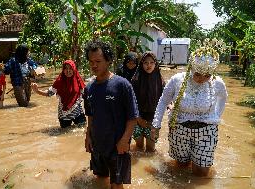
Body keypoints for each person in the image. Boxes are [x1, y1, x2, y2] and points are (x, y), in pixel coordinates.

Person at [152, 44, 228, 177]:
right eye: (198, 74)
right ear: (191, 68)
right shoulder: (177, 80)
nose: (202, 79)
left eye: (207, 75)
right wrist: (156, 125)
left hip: (207, 131)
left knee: (202, 172)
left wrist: (215, 116)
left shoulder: (218, 83)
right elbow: (163, 100)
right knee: (181, 167)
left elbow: (223, 99)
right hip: (179, 129)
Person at [83, 39, 139, 189]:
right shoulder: (89, 88)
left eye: (98, 61)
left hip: (117, 146)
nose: (94, 65)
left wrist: (125, 140)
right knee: (100, 179)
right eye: (91, 61)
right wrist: (88, 136)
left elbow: (133, 117)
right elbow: (91, 115)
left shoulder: (122, 85)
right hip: (97, 144)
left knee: (116, 185)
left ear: (108, 60)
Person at [31, 60, 86, 128]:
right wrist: (37, 91)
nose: (68, 71)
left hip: (78, 113)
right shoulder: (59, 81)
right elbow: (49, 93)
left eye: (70, 68)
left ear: (74, 69)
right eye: (66, 68)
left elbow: (86, 94)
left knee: (83, 129)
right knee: (64, 135)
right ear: (63, 70)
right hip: (64, 114)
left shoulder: (78, 80)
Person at [131, 52, 165, 152]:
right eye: (145, 63)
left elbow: (165, 100)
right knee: (139, 147)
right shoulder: (135, 80)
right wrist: (138, 118)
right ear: (141, 64)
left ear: (156, 64)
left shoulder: (160, 80)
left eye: (151, 62)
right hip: (137, 118)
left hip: (153, 120)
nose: (149, 65)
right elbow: (131, 101)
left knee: (151, 150)